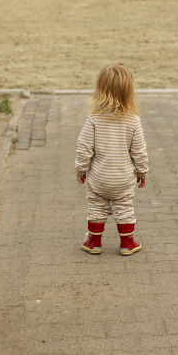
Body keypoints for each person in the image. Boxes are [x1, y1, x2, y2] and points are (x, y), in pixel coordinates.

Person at [75, 63, 149, 256]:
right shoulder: (133, 120)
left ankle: (94, 241)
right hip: (124, 178)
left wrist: (81, 169)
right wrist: (142, 172)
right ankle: (127, 243)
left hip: (99, 178)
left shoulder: (94, 119)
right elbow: (139, 151)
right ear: (129, 92)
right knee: (124, 207)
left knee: (96, 206)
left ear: (99, 90)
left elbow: (84, 148)